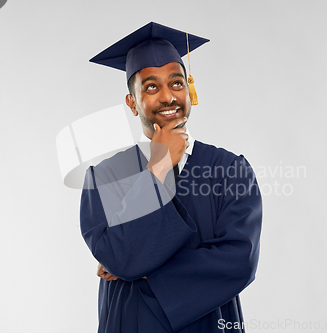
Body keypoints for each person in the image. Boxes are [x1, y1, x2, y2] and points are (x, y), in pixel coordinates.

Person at [80, 22, 263, 333]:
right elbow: (120, 258)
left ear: (189, 90)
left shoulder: (230, 170)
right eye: (151, 87)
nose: (168, 96)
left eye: (177, 83)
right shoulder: (105, 177)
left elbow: (239, 261)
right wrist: (159, 167)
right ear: (132, 102)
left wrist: (144, 271)